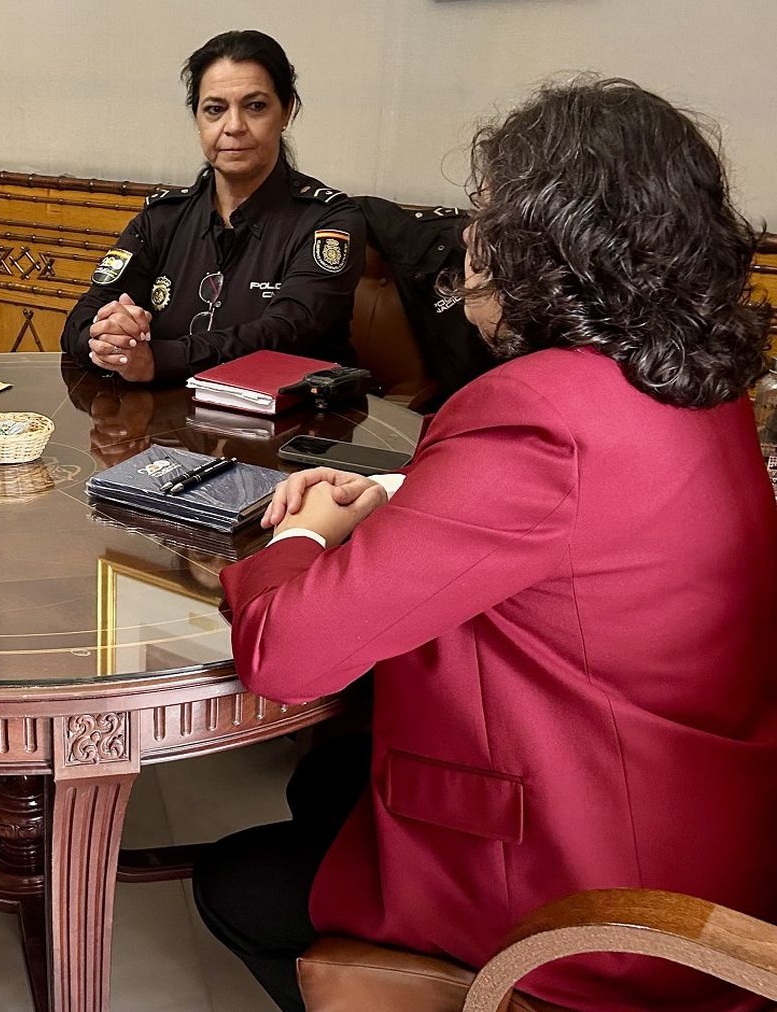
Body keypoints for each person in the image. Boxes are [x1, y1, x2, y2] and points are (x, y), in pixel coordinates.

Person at [192, 79, 777, 1012]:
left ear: (545, 246)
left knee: (235, 882)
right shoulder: (699, 382)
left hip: (604, 895)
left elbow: (287, 656)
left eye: (488, 216)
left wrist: (305, 531)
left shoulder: (536, 408)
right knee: (335, 778)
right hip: (714, 823)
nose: (471, 240)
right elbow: (582, 533)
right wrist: (400, 495)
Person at [61, 30, 366, 383]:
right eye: (215, 109)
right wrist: (107, 340)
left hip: (293, 424)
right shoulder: (163, 217)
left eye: (255, 106)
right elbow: (83, 316)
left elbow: (287, 333)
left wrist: (158, 360)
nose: (234, 126)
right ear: (198, 119)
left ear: (287, 112)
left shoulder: (328, 220)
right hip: (165, 426)